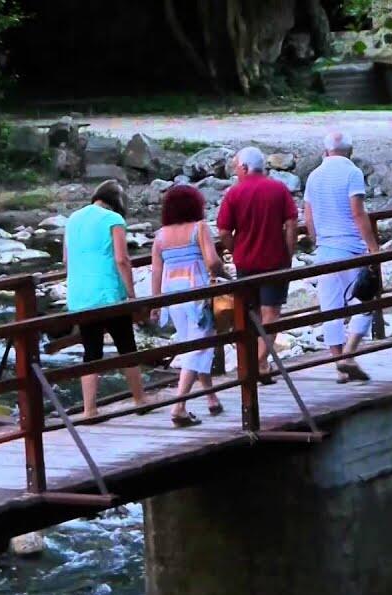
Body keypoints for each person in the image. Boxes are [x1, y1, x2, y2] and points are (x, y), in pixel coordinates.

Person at [64, 179, 147, 418]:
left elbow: (67, 260)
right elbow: (122, 259)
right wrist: (131, 294)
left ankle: (90, 410)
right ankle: (139, 400)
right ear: (117, 202)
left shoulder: (73, 219)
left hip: (80, 295)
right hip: (108, 293)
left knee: (91, 351)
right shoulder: (113, 219)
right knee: (127, 347)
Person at [304, 131, 380, 383]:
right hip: (349, 247)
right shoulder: (352, 172)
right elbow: (358, 212)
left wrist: (317, 240)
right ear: (351, 150)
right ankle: (349, 353)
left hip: (325, 249)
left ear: (326, 150)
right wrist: (373, 248)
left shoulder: (314, 176)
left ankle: (339, 367)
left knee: (330, 308)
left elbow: (308, 216)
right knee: (365, 301)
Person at [216, 146, 298, 380]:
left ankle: (256, 364)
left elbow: (223, 231)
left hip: (246, 263)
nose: (235, 171)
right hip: (275, 260)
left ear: (244, 167)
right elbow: (292, 223)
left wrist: (236, 249)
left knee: (250, 314)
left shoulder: (234, 193)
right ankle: (260, 362)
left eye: (236, 167)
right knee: (271, 313)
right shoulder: (279, 189)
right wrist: (288, 253)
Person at [150, 185, 226, 427]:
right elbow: (212, 262)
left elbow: (156, 271)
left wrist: (155, 303)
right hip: (197, 294)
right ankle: (179, 406)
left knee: (192, 346)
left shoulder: (160, 236)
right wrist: (223, 270)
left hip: (172, 296)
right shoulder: (199, 228)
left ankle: (211, 397)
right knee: (199, 347)